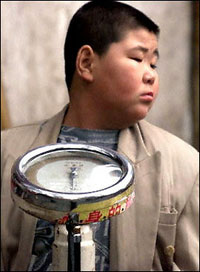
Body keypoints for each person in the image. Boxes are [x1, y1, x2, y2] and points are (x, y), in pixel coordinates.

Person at [1, 0, 199, 271]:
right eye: (138, 58)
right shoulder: (8, 153)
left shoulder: (184, 165)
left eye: (153, 64)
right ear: (86, 63)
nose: (151, 75)